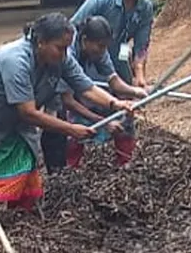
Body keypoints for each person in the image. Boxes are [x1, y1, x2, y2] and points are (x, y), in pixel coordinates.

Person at [0, 12, 135, 224]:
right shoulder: (15, 59)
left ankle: (18, 219)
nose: (64, 54)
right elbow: (28, 112)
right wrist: (70, 128)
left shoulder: (62, 59)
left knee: (24, 165)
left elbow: (85, 86)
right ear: (41, 42)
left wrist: (115, 103)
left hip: (13, 122)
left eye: (67, 47)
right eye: (59, 47)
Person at [61, 15, 148, 169]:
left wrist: (135, 92)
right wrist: (102, 122)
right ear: (85, 40)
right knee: (71, 127)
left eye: (105, 47)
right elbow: (68, 101)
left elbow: (114, 82)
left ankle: (125, 164)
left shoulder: (100, 50)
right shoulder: (67, 54)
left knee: (123, 116)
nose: (103, 51)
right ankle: (70, 166)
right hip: (62, 96)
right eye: (100, 46)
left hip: (85, 89)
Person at [70, 0, 156, 88]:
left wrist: (139, 74)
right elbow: (72, 28)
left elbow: (141, 47)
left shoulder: (146, 8)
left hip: (120, 53)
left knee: (126, 90)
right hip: (92, 58)